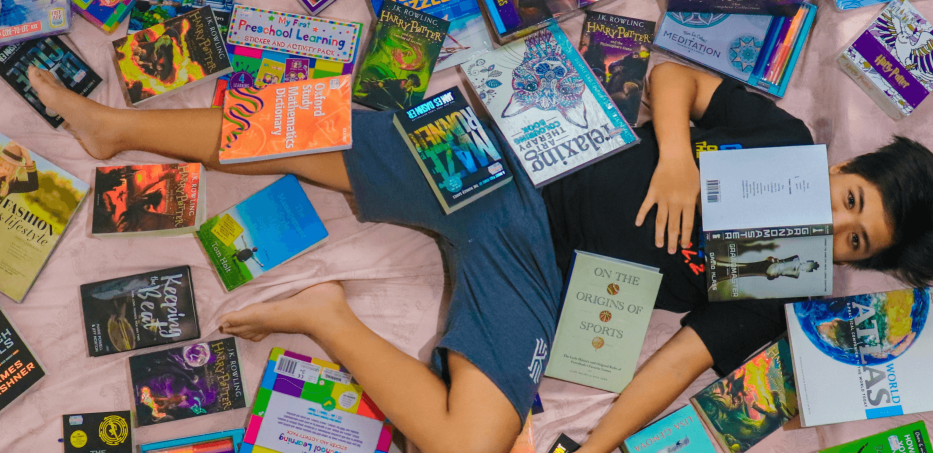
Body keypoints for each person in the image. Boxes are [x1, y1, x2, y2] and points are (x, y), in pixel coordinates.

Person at [26, 60, 933, 453]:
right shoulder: (780, 138)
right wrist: (673, 154)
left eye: (852, 239)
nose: (831, 220)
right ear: (842, 168)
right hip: (516, 159)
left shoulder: (783, 285)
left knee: (469, 444)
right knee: (319, 134)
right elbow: (674, 78)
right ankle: (116, 127)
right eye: (848, 198)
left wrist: (597, 444)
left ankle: (325, 314)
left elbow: (676, 363)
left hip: (534, 269)